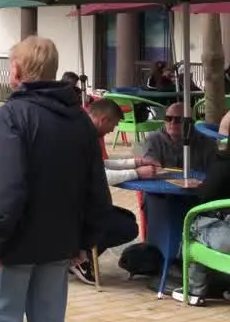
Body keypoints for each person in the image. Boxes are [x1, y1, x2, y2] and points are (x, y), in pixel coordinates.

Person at [0, 36, 111, 322]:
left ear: (17, 71)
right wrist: (86, 241)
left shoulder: (12, 115)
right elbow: (96, 190)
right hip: (58, 246)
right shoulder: (80, 122)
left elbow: (7, 189)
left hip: (14, 247)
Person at [74, 98, 159, 285]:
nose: (113, 130)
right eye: (113, 124)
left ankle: (81, 255)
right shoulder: (79, 137)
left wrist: (135, 162)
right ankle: (79, 257)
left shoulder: (83, 132)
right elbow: (98, 176)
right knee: (127, 227)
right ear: (103, 120)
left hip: (82, 205)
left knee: (128, 219)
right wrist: (136, 173)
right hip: (76, 209)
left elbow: (98, 165)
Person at [171, 145, 230, 305]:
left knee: (194, 226)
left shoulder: (223, 164)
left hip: (226, 239)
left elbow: (206, 196)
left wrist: (202, 186)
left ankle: (194, 290)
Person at [142, 102, 219, 172]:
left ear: (191, 122)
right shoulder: (153, 140)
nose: (172, 122)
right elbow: (148, 169)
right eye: (168, 118)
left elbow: (214, 174)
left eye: (179, 119)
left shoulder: (207, 144)